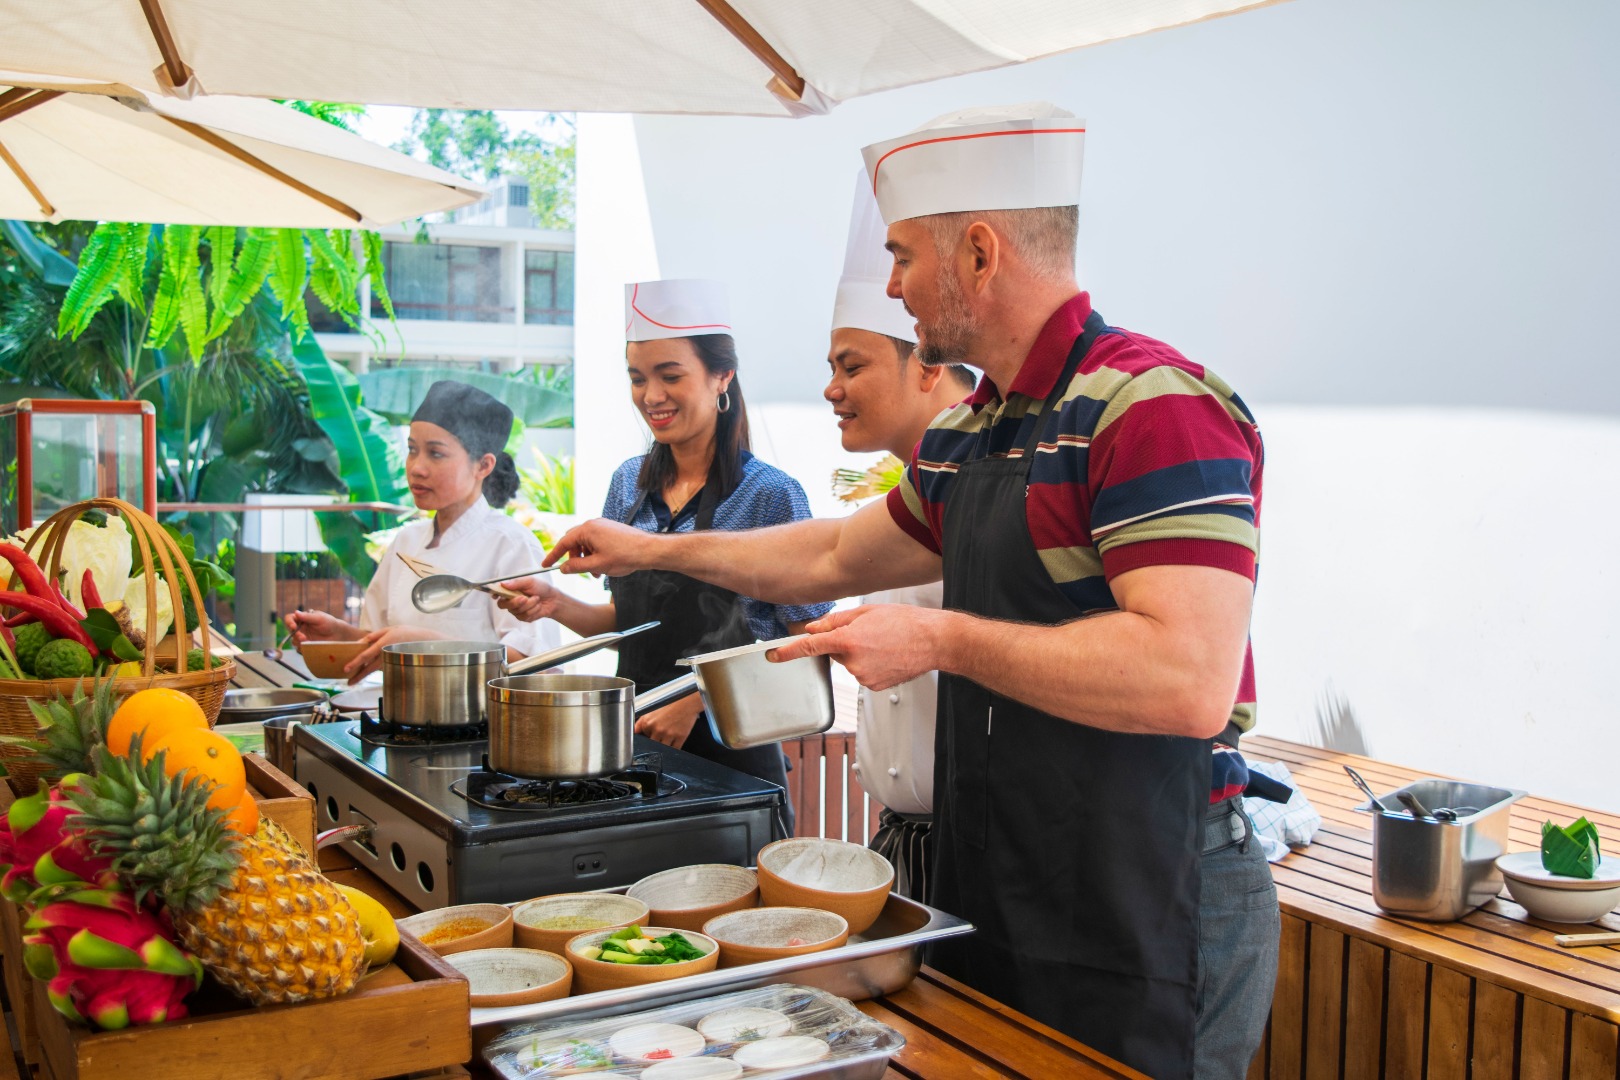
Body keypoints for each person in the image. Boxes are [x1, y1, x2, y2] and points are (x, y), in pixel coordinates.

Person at [535, 104, 1279, 1080]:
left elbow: (1188, 680)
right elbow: (837, 557)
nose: (893, 288)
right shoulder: (976, 431)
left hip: (1156, 882)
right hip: (1015, 869)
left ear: (978, 252)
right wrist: (652, 549)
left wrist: (940, 643)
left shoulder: (1155, 408)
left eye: (902, 258)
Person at [498, 279, 831, 835]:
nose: (651, 395)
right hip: (632, 745)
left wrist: (699, 698)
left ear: (722, 376)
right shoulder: (627, 485)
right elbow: (628, 623)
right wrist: (555, 603)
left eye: (670, 375)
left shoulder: (770, 495)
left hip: (734, 755)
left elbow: (806, 639)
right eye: (637, 377)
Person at [825, 170, 977, 901]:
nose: (831, 389)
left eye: (851, 366)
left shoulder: (991, 479)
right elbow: (825, 556)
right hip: (901, 837)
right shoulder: (897, 492)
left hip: (982, 842)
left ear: (930, 363)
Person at [285, 380, 559, 681]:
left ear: (483, 466)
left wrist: (422, 644)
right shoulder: (406, 541)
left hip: (480, 723)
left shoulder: (509, 544)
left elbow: (534, 663)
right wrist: (340, 635)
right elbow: (381, 638)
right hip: (404, 715)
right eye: (412, 450)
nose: (416, 467)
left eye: (436, 453)